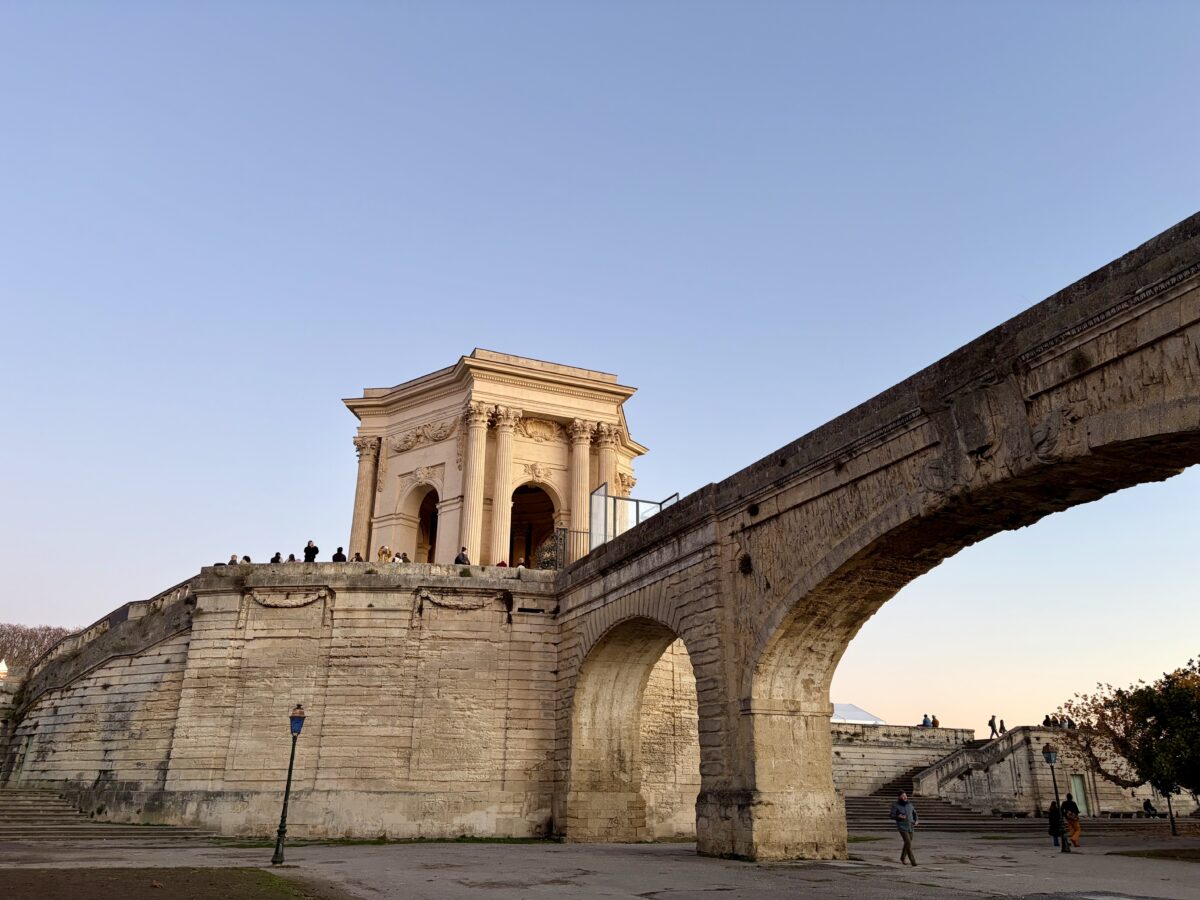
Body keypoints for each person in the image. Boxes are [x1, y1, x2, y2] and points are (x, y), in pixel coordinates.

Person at [889, 791, 918, 866]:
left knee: (907, 843)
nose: (905, 797)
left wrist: (916, 820)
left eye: (905, 795)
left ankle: (902, 858)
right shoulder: (896, 805)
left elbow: (914, 813)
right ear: (899, 797)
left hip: (910, 826)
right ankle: (913, 861)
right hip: (902, 826)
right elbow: (892, 815)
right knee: (908, 842)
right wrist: (899, 816)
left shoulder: (909, 804)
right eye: (903, 796)